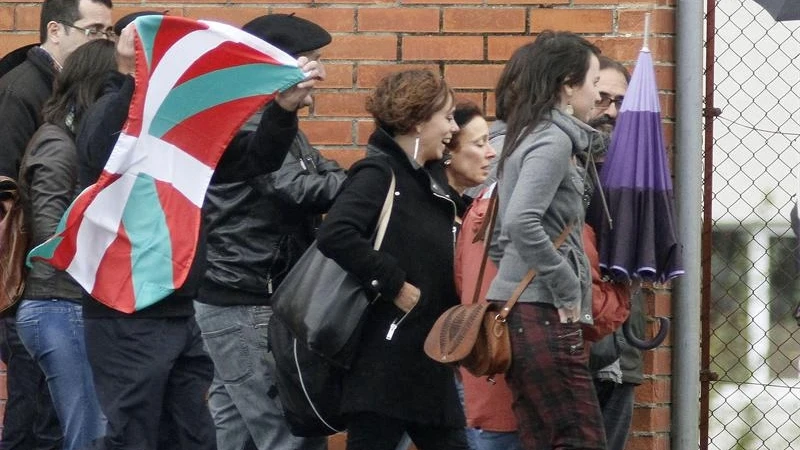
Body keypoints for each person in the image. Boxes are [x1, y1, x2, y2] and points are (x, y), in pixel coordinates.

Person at [75, 23, 324, 450]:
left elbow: (256, 159)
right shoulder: (109, 110)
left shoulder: (179, 129)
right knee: (134, 434)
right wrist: (132, 73)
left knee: (192, 435)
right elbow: (101, 155)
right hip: (125, 308)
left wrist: (282, 110)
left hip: (178, 304)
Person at [194, 13, 345, 450]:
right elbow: (296, 187)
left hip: (242, 294)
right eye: (312, 61)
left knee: (236, 432)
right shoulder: (254, 125)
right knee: (288, 432)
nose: (321, 74)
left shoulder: (269, 122)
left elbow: (321, 171)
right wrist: (371, 184)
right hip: (247, 297)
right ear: (280, 65)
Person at [316, 69, 468, 450]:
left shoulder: (429, 181)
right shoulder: (379, 173)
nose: (453, 128)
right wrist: (394, 283)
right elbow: (335, 234)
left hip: (427, 359)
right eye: (447, 117)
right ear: (418, 121)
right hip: (384, 361)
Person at [484, 31, 605, 449]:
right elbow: (519, 221)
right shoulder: (552, 140)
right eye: (592, 83)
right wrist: (566, 286)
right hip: (544, 311)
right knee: (580, 438)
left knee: (544, 437)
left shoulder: (527, 133)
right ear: (567, 86)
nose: (598, 94)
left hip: (523, 308)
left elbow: (502, 236)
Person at [0, 0, 113, 447]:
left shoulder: (68, 96)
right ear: (56, 30)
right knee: (35, 413)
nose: (103, 42)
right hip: (33, 280)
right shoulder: (22, 90)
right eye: (94, 30)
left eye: (108, 32)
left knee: (58, 416)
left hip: (57, 281)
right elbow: (11, 196)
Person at [586, 55, 645, 450]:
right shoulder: (560, 162)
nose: (611, 111)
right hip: (572, 343)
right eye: (602, 98)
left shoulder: (641, 170)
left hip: (622, 343)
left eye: (621, 102)